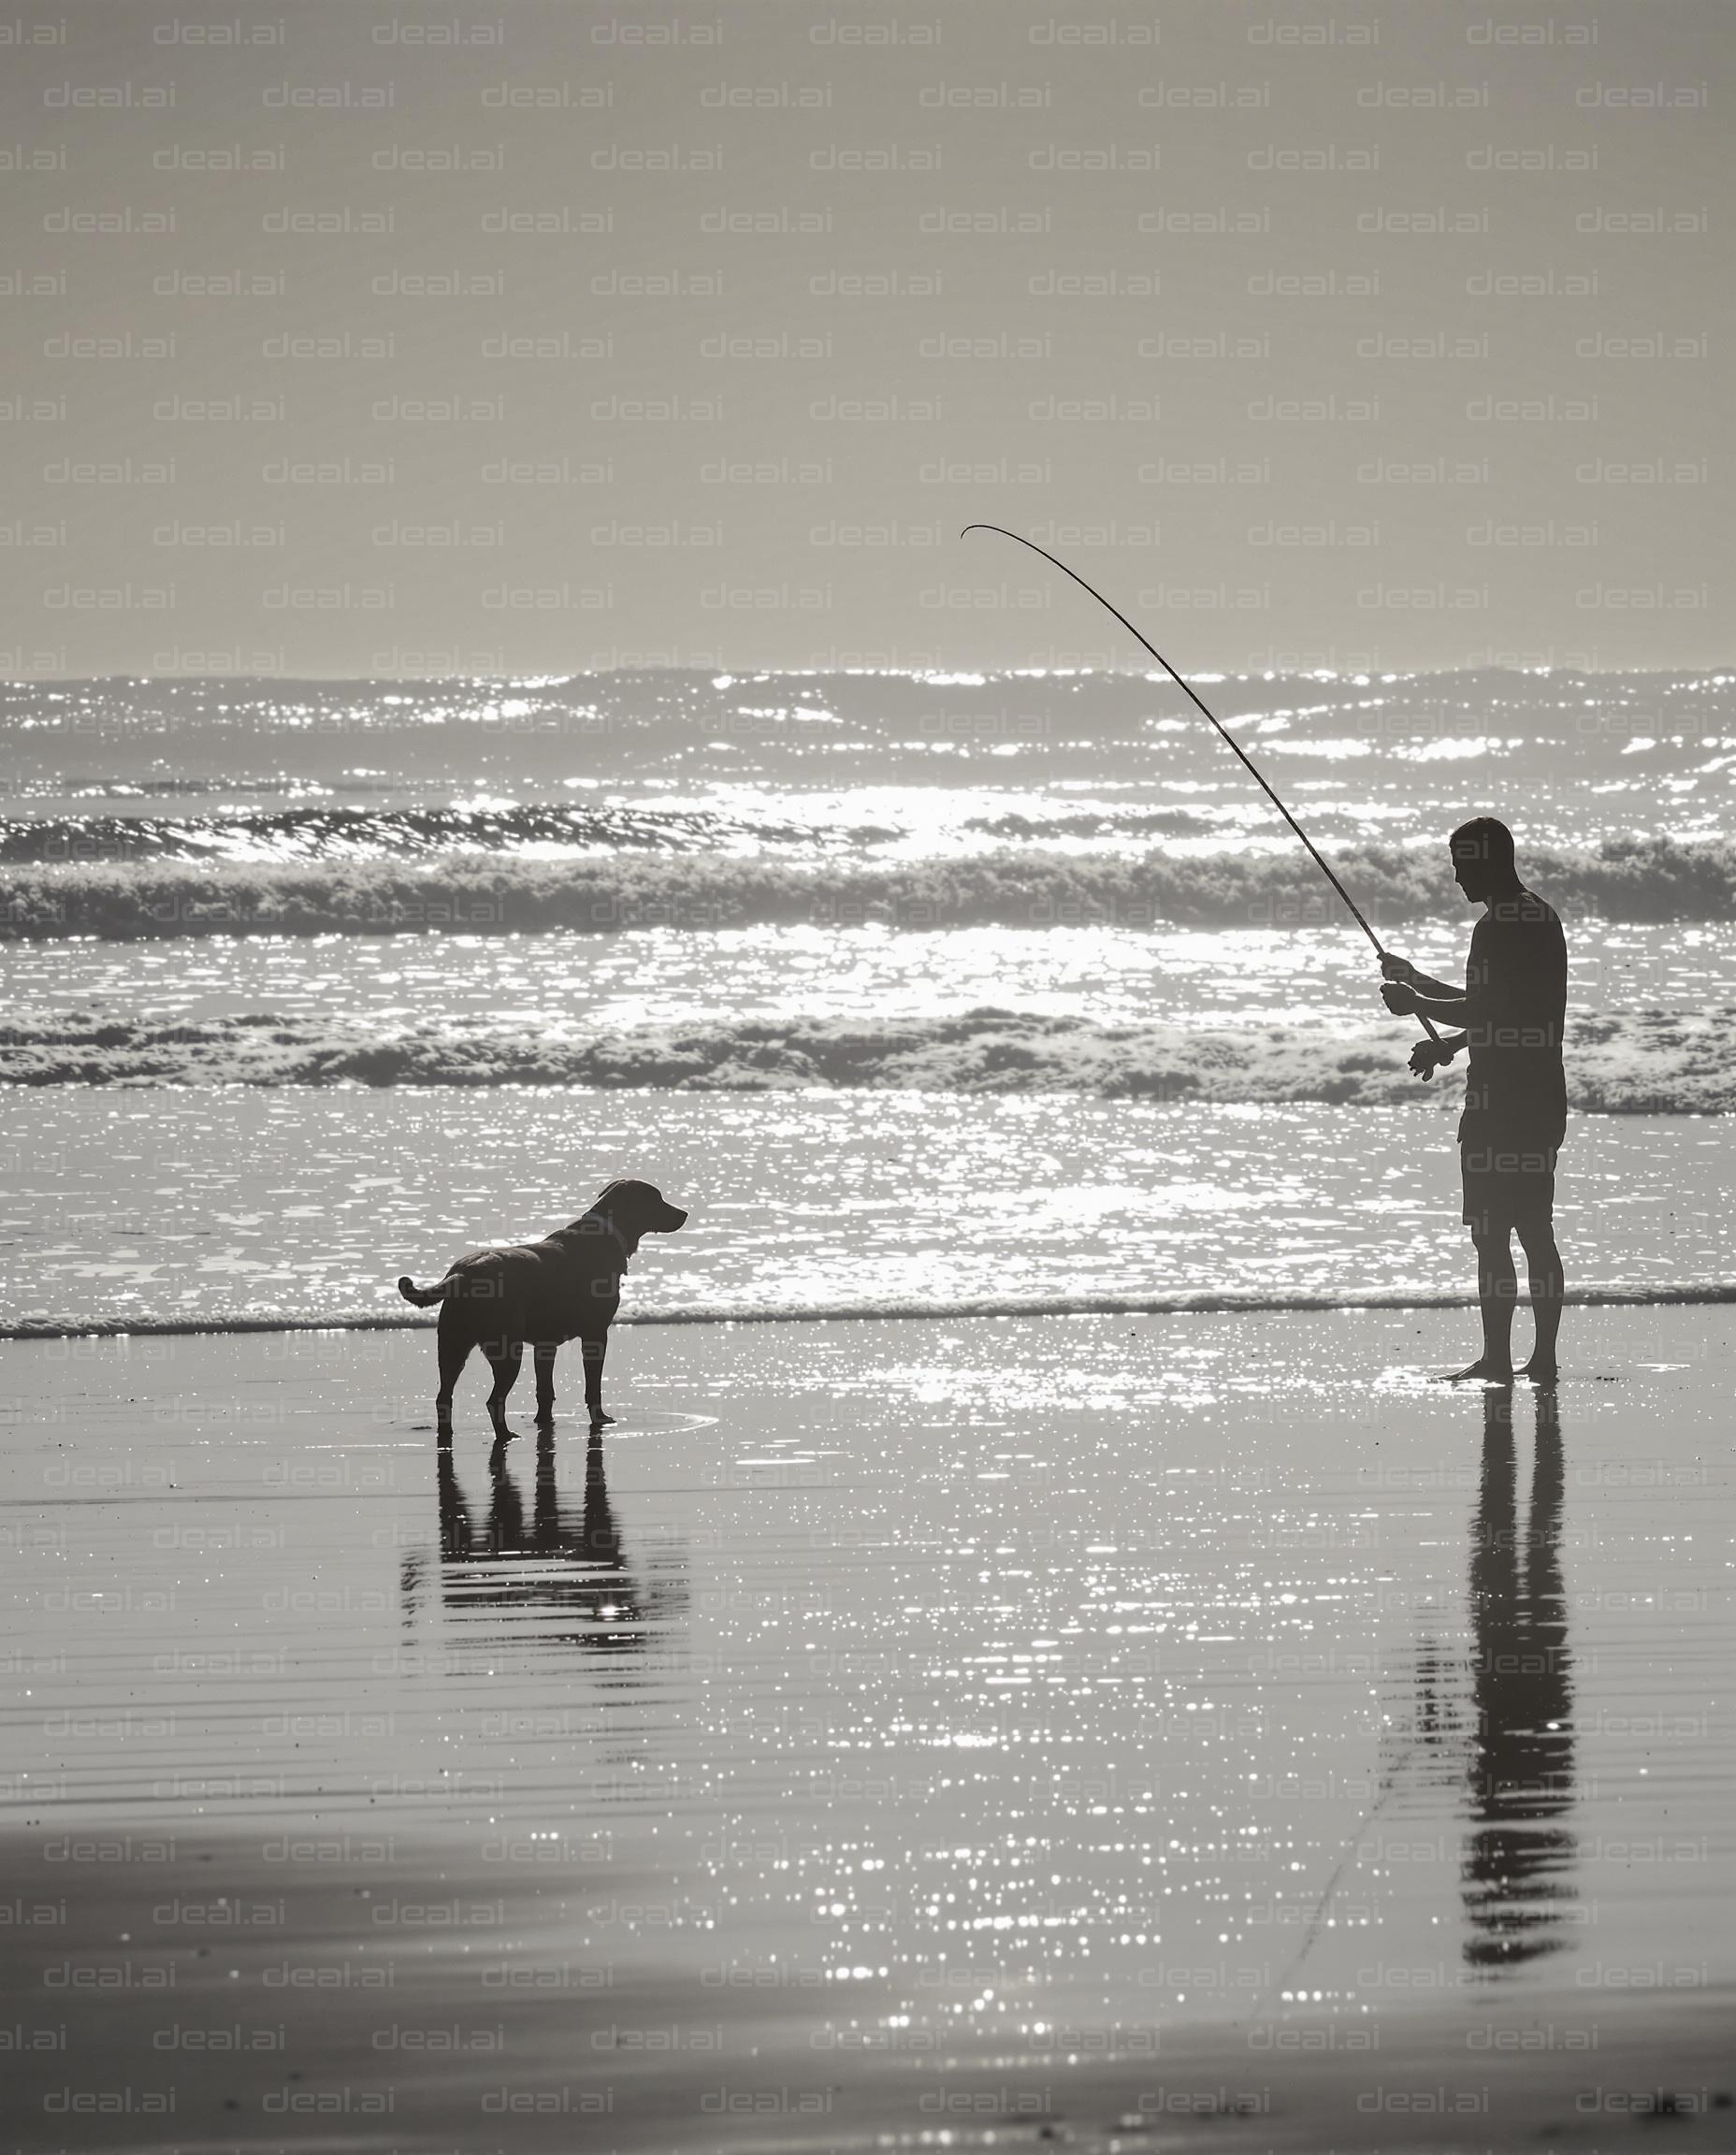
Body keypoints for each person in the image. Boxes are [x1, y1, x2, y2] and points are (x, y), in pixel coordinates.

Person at [1379, 817, 1567, 1383]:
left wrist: (1418, 1002)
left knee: (1491, 1233)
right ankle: (1542, 1360)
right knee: (1534, 1227)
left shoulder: (1496, 926)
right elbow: (1505, 1009)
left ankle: (1497, 1360)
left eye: (1463, 865)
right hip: (1539, 1098)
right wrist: (1423, 991)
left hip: (1499, 1104)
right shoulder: (1537, 915)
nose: (1457, 878)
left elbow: (1486, 1011)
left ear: (1488, 862)